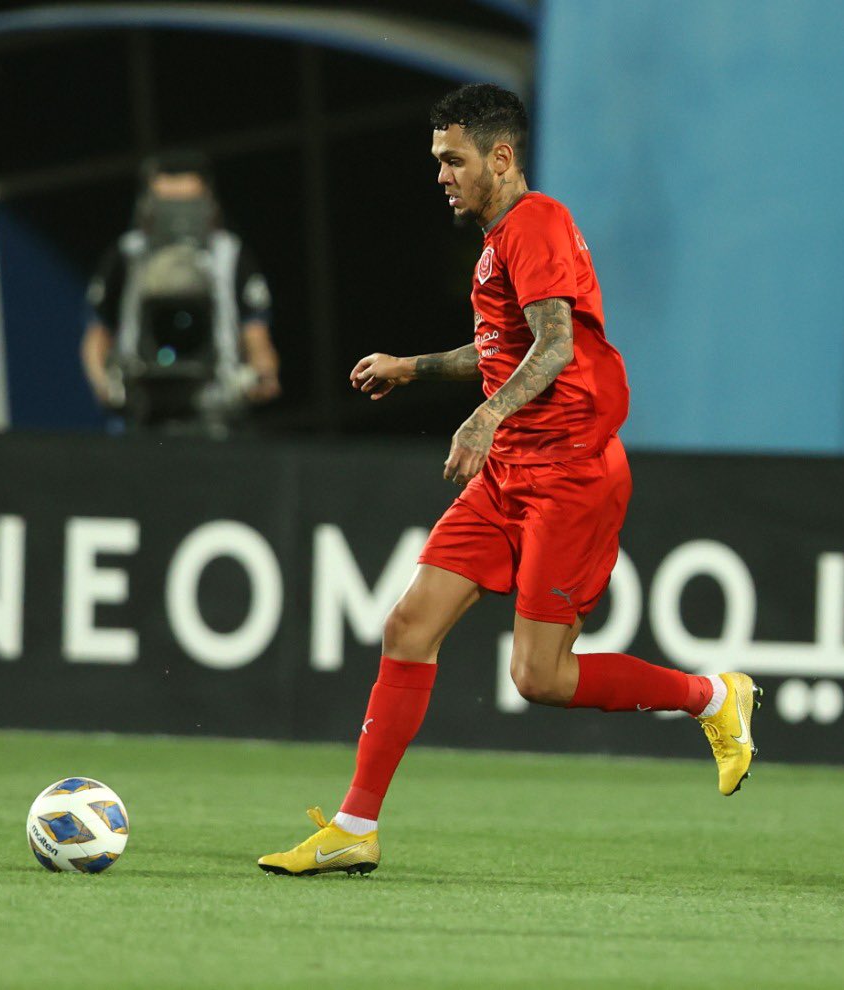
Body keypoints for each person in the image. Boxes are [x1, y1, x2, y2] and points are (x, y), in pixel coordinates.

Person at [257, 84, 759, 877]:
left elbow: (555, 346)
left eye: (453, 159)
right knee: (408, 626)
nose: (441, 175)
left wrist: (483, 418)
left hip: (570, 476)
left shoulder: (537, 223)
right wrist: (414, 367)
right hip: (509, 472)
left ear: (501, 156)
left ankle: (711, 697)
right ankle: (356, 825)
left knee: (540, 677)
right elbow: (502, 347)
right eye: (436, 161)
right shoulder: (499, 241)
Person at [81, 151, 279, 434]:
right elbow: (97, 334)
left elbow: (256, 335)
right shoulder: (126, 256)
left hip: (215, 407)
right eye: (166, 204)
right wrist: (105, 384)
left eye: (187, 204)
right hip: (143, 408)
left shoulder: (231, 257)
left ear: (208, 203)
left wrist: (259, 374)